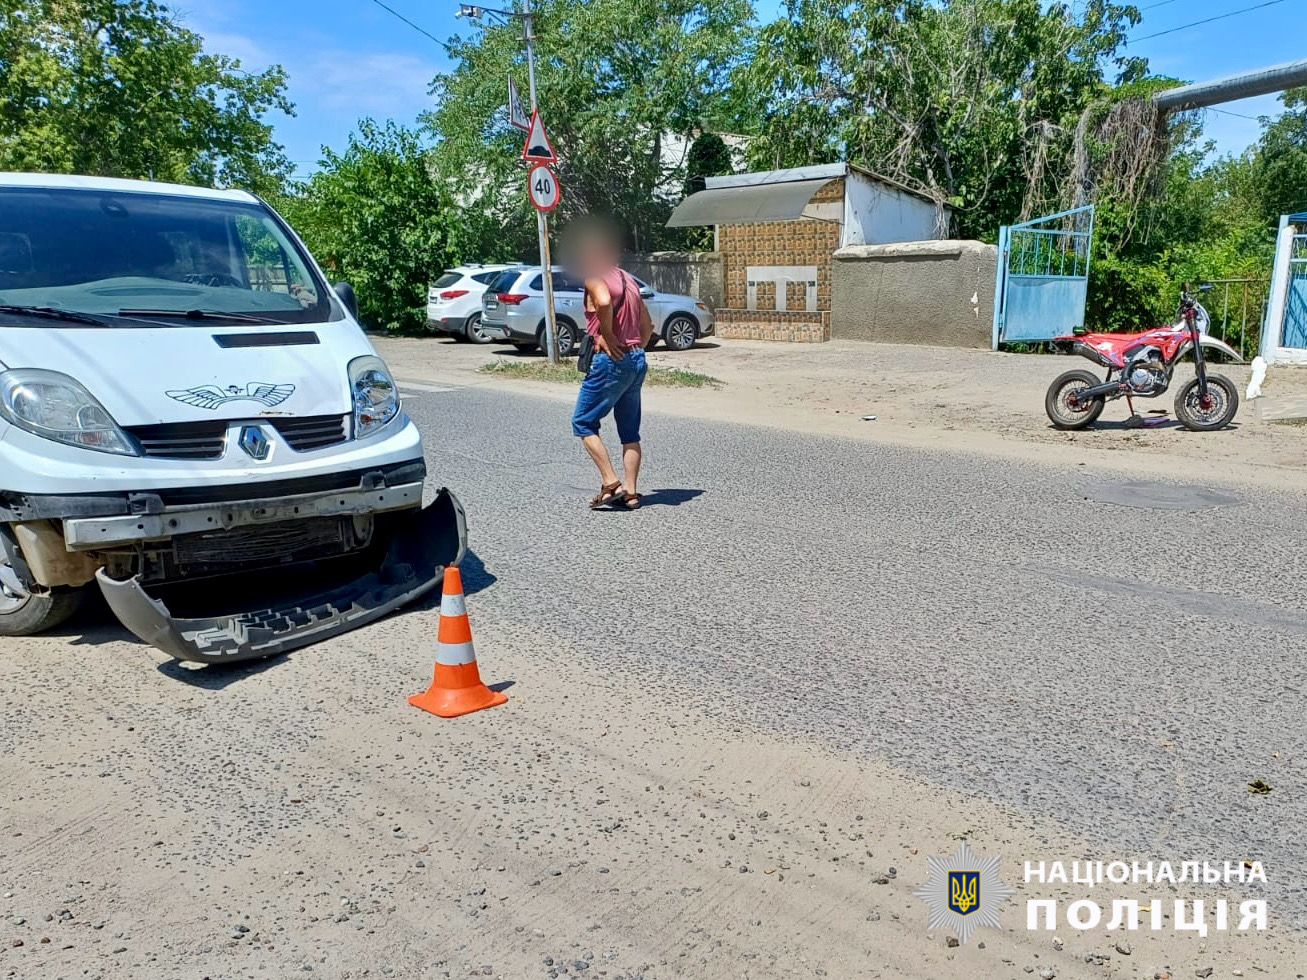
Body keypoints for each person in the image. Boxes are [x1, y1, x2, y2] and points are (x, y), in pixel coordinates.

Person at [564, 217, 654, 510]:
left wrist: (607, 334)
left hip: (610, 361)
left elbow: (602, 302)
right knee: (630, 432)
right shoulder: (629, 281)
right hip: (637, 360)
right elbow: (648, 326)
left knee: (583, 421)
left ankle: (610, 481)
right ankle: (630, 493)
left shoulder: (594, 277)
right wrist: (633, 348)